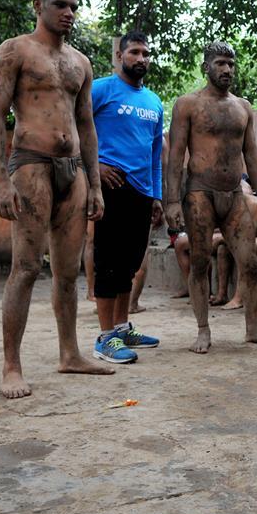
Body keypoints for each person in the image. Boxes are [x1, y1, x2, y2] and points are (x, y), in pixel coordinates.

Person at [0, 0, 112, 398]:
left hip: (73, 172)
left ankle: (70, 354)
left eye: (74, 6)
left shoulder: (80, 63)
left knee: (68, 273)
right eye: (60, 5)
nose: (69, 13)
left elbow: (87, 125)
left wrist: (95, 185)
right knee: (25, 268)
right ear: (38, 6)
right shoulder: (15, 51)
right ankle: (11, 367)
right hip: (30, 166)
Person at [165, 41, 257, 353]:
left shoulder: (243, 107)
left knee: (250, 262)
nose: (227, 69)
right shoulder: (187, 104)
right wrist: (172, 201)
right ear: (206, 67)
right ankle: (203, 330)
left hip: (234, 195)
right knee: (200, 262)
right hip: (199, 194)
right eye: (220, 63)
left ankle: (253, 328)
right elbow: (176, 155)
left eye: (231, 64)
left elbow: (252, 154)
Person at [90, 31, 164, 363]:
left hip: (142, 192)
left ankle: (121, 328)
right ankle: (105, 338)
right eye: (134, 52)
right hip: (111, 188)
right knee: (108, 264)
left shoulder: (154, 102)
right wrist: (94, 167)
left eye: (146, 53)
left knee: (129, 265)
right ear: (119, 56)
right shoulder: (100, 90)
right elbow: (75, 129)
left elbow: (155, 155)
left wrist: (157, 196)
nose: (141, 58)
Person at [213, 178, 257, 310]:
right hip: (250, 238)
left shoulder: (252, 203)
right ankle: (222, 294)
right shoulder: (229, 206)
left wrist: (223, 238)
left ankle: (239, 298)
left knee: (244, 249)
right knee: (222, 249)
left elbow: (246, 238)